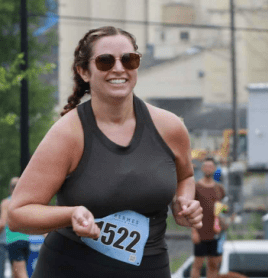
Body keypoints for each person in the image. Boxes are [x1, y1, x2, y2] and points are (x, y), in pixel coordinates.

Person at [7, 26, 203, 278]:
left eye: (129, 60)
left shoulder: (170, 127)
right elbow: (18, 214)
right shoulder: (68, 134)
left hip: (150, 269)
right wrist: (71, 214)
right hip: (72, 269)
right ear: (84, 71)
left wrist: (183, 203)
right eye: (105, 61)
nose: (119, 68)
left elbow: (185, 176)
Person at [190, 157, 226, 278]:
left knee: (213, 264)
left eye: (211, 166)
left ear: (215, 169)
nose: (208, 169)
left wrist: (222, 223)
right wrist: (194, 231)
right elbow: (191, 211)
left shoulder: (219, 188)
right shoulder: (196, 187)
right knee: (198, 264)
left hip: (215, 233)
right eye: (206, 166)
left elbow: (224, 209)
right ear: (202, 168)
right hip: (200, 232)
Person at [0, 178, 29, 278]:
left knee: (21, 274)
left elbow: (2, 224)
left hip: (14, 241)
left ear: (10, 188)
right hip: (25, 241)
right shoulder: (26, 203)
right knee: (15, 274)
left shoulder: (6, 203)